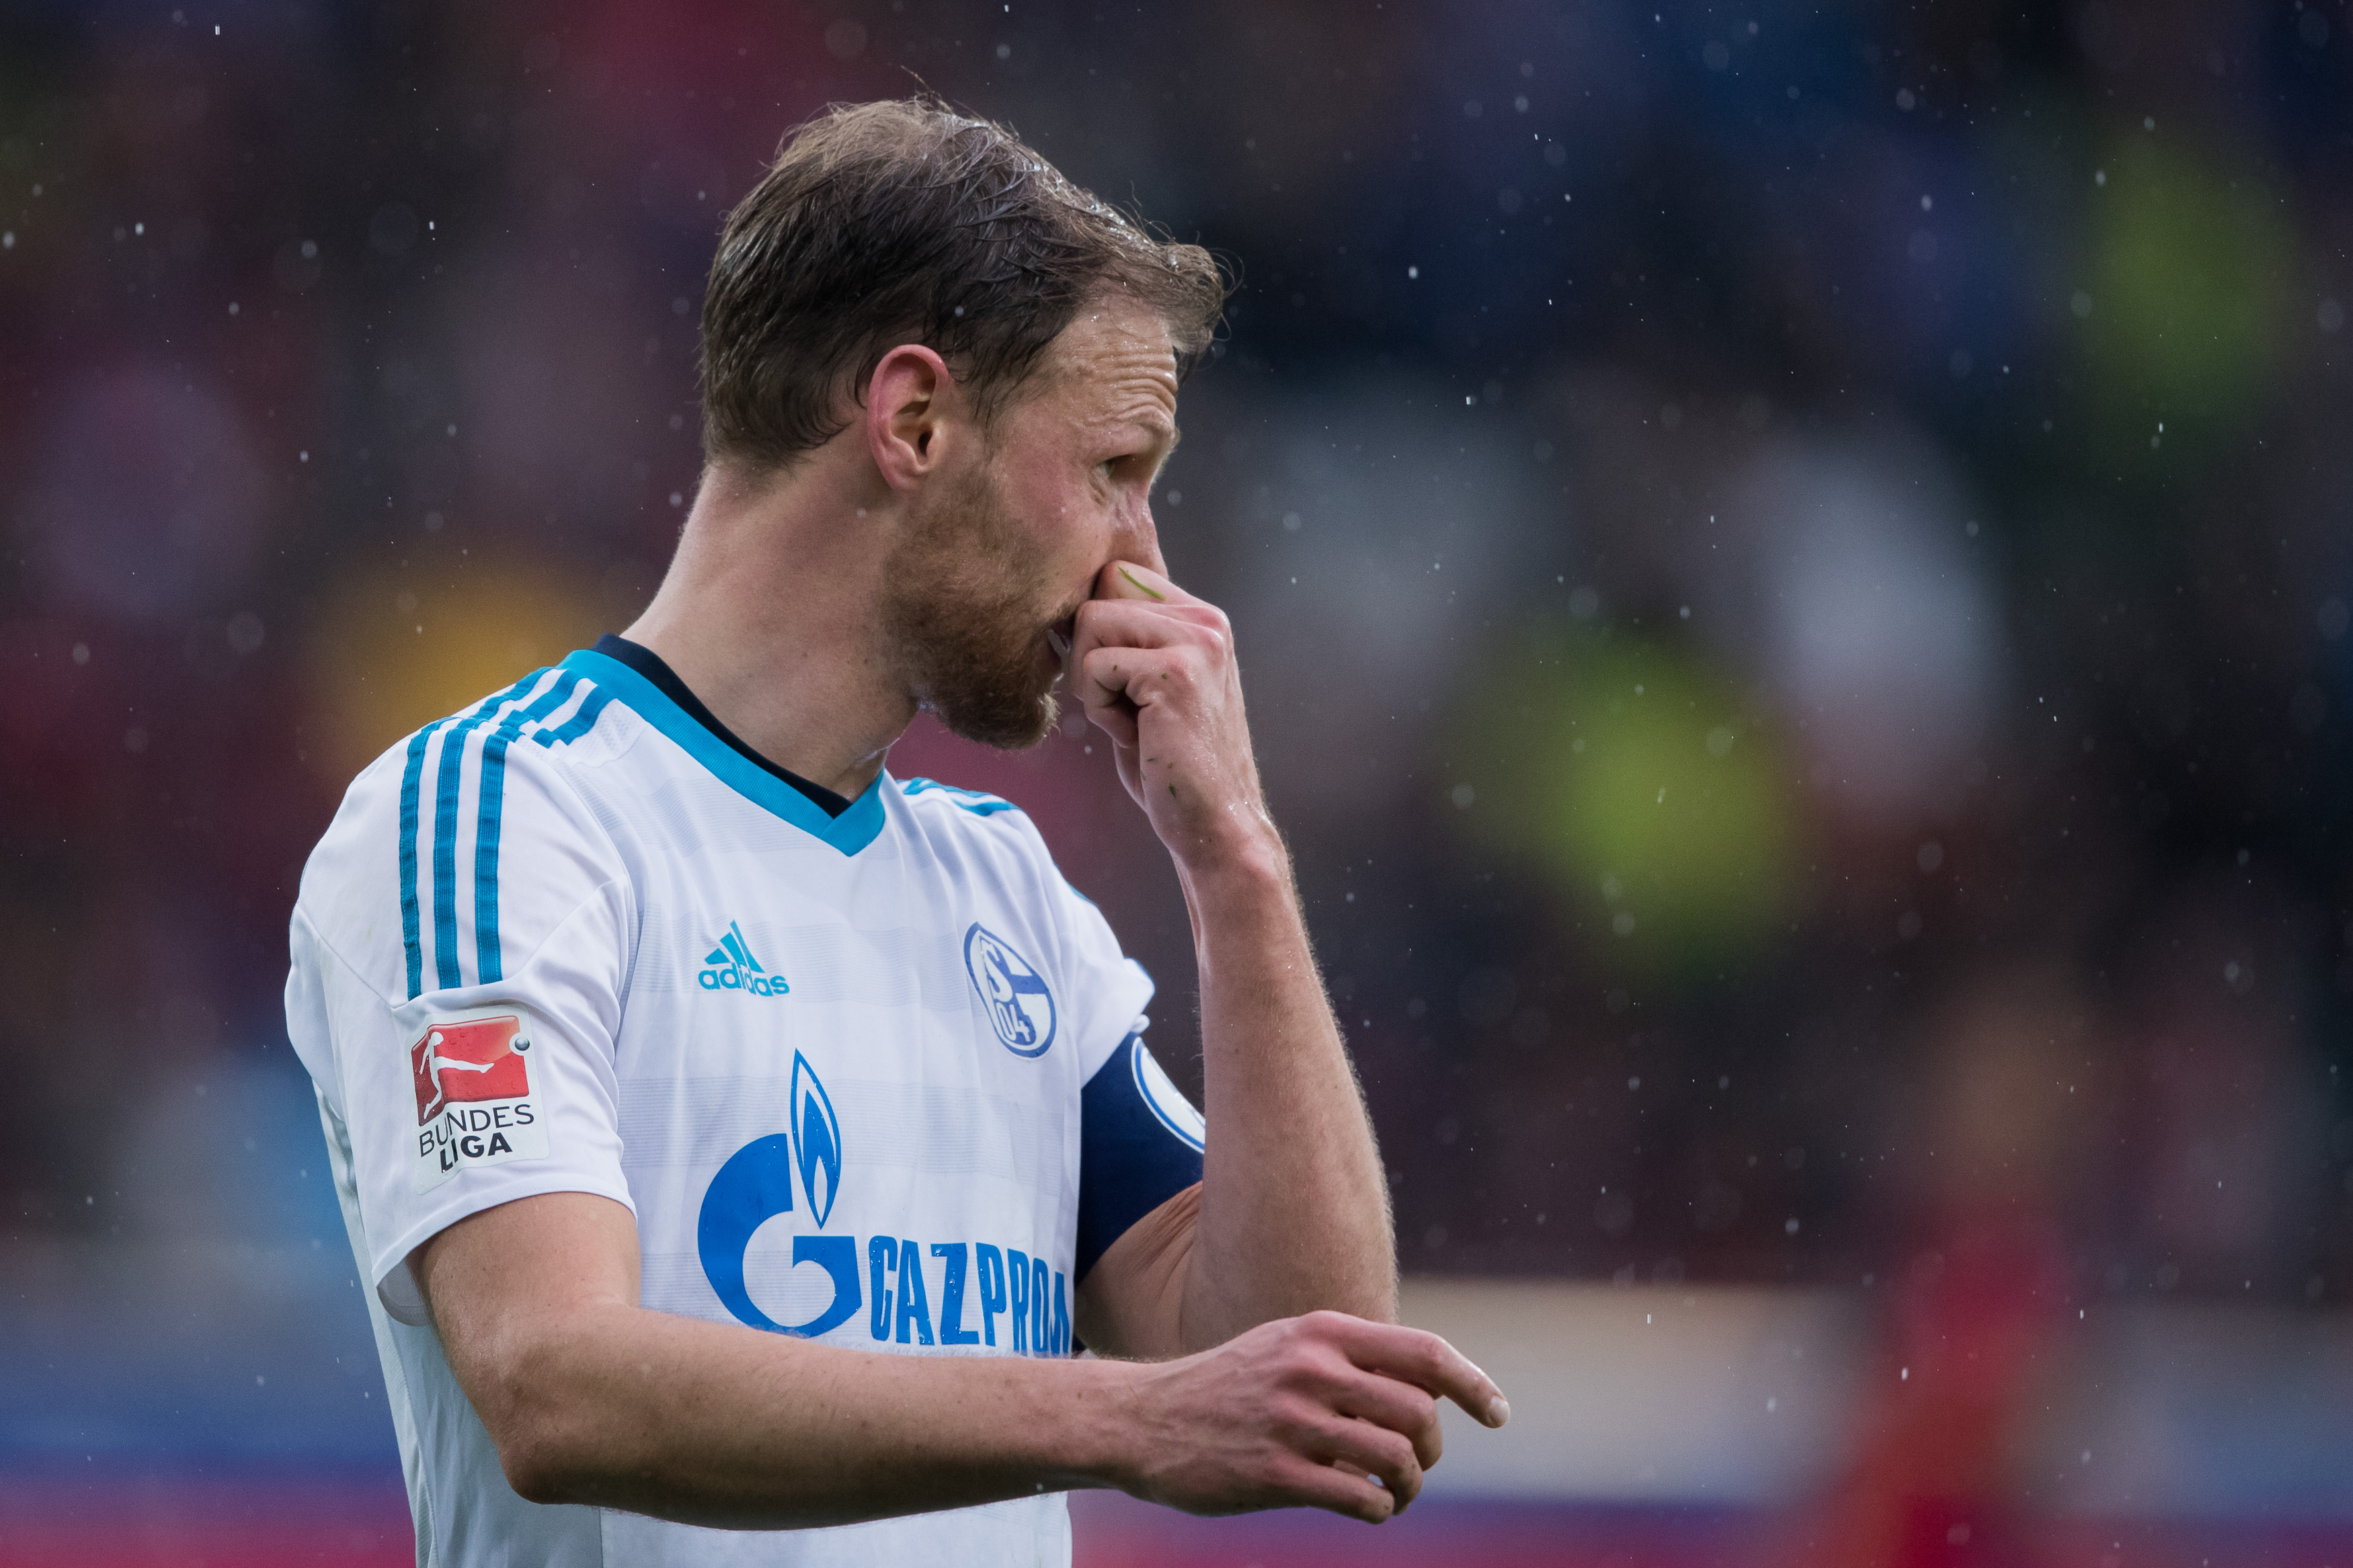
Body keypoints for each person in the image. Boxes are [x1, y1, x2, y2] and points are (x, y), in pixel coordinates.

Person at [283, 97, 1507, 1566]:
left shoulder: (1004, 888)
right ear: (913, 418)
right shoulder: (498, 816)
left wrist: (1235, 860)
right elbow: (556, 1381)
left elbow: (1304, 1379)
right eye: (1114, 468)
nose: (1142, 561)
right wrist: (1119, 1417)